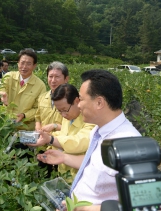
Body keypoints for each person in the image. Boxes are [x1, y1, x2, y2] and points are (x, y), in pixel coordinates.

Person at [37, 69, 141, 210]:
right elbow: (93, 163)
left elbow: (137, 205)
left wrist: (81, 208)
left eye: (82, 99)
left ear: (99, 103)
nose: (78, 105)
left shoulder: (128, 144)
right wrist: (64, 157)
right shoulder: (99, 131)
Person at [32, 84, 95, 176]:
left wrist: (50, 139)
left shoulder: (91, 119)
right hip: (64, 171)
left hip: (79, 175)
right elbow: (63, 134)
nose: (63, 115)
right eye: (59, 111)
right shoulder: (68, 117)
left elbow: (78, 142)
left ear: (77, 101)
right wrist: (46, 137)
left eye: (65, 110)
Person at [0, 49, 46, 130]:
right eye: (22, 63)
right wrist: (1, 92)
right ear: (18, 63)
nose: (24, 67)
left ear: (34, 66)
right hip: (4, 126)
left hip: (25, 130)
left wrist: (24, 115)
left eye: (28, 64)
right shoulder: (9, 76)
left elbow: (39, 109)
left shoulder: (40, 86)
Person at [35, 61, 69, 133]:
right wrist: (38, 128)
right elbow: (38, 118)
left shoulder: (72, 99)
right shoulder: (42, 97)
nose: (53, 81)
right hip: (42, 141)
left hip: (61, 142)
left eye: (57, 77)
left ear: (66, 79)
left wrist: (55, 126)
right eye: (50, 76)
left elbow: (74, 128)